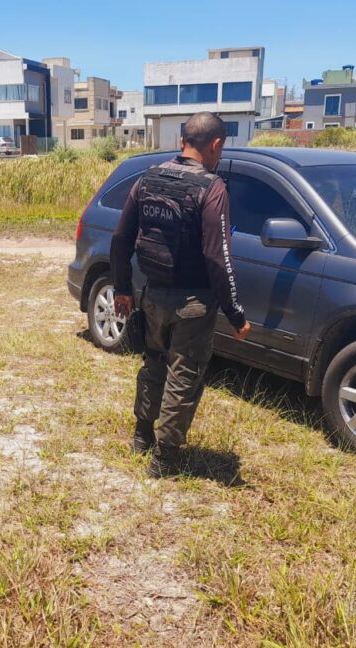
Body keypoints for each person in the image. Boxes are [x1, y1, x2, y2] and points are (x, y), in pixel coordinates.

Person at [109, 111, 251, 478]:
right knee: (183, 377)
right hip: (193, 304)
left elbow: (121, 238)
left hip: (153, 295)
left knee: (154, 365)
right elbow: (218, 257)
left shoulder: (148, 178)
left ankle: (142, 436)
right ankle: (164, 459)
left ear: (182, 141)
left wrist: (122, 287)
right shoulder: (212, 188)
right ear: (216, 144)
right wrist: (235, 314)